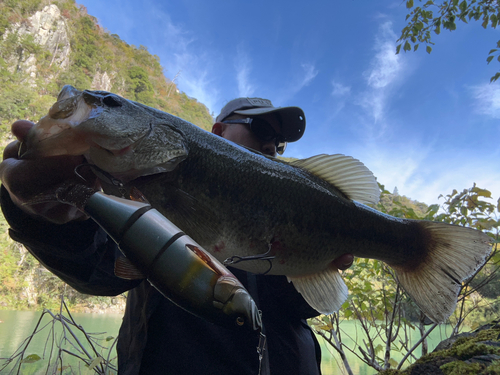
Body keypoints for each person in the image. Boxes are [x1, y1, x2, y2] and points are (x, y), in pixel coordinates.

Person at [0, 96, 354, 374]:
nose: (271, 147)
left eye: (278, 144)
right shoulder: (142, 190)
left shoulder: (296, 211)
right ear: (218, 132)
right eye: (260, 131)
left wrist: (320, 267)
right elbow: (100, 270)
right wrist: (41, 217)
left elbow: (298, 309)